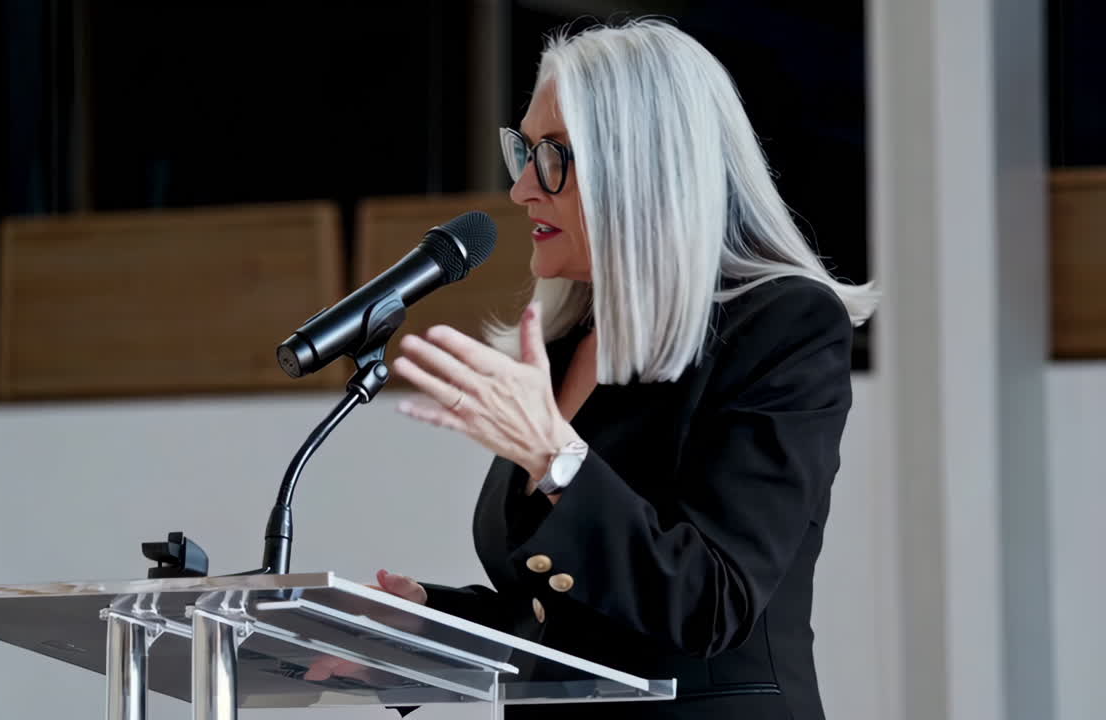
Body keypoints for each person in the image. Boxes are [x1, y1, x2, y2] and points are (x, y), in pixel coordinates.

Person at [349, 18, 874, 719]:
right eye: (525, 152)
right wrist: (424, 631)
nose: (523, 190)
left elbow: (710, 604)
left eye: (555, 156)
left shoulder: (782, 326)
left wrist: (554, 457)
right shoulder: (570, 341)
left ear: (647, 164)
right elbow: (572, 616)